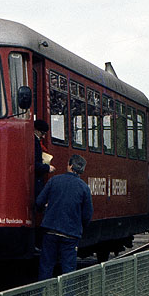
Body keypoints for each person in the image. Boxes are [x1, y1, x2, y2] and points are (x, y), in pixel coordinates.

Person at [35, 154, 93, 284]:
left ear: (70, 166)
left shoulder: (54, 180)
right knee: (68, 271)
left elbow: (39, 201)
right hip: (71, 234)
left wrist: (46, 210)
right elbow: (87, 215)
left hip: (50, 231)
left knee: (46, 268)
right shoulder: (84, 188)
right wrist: (79, 227)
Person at [33, 119, 54, 198]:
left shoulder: (34, 141)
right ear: (36, 130)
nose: (44, 136)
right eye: (42, 133)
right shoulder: (35, 142)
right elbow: (33, 163)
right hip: (36, 179)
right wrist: (47, 167)